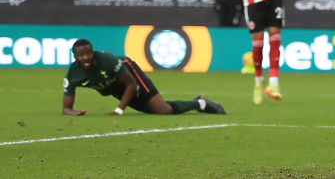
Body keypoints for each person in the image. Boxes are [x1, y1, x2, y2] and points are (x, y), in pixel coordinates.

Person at [62, 39, 225, 116]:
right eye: (81, 56)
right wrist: (73, 112)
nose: (85, 58)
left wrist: (119, 110)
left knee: (162, 110)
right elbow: (66, 108)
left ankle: (201, 103)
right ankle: (196, 102)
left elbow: (131, 84)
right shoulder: (73, 75)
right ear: (75, 57)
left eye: (88, 54)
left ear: (93, 52)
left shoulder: (107, 60)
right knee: (155, 110)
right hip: (116, 87)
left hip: (129, 75)